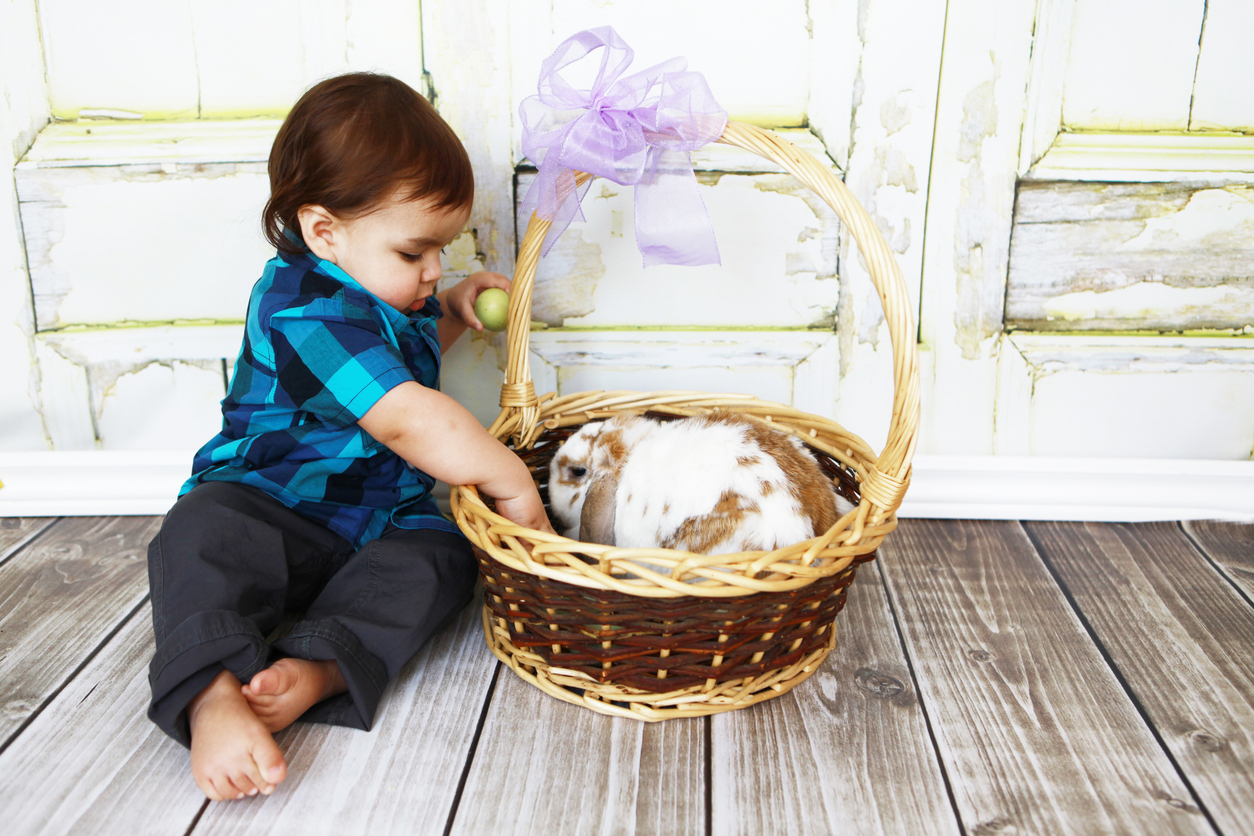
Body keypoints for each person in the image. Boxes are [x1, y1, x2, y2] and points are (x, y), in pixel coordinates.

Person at [145, 72, 554, 802]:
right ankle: (210, 692)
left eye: (443, 252)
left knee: (440, 560)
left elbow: (401, 353)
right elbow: (407, 415)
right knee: (199, 536)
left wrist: (452, 311)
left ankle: (321, 667)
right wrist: (511, 482)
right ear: (323, 230)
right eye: (415, 254)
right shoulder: (303, 307)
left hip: (375, 515)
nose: (434, 270)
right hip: (271, 502)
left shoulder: (371, 291)